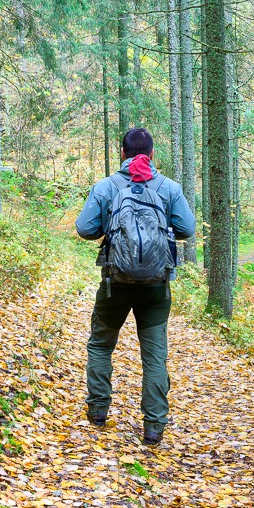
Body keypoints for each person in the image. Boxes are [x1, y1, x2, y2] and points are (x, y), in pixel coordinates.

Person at [75, 128, 196, 445]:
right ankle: (154, 426)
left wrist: (112, 224)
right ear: (152, 154)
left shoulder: (106, 187)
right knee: (154, 356)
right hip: (156, 287)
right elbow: (186, 229)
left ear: (122, 154)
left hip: (115, 284)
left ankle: (98, 411)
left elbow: (85, 229)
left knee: (101, 345)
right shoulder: (169, 188)